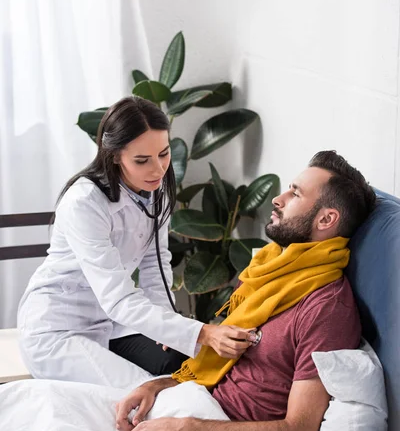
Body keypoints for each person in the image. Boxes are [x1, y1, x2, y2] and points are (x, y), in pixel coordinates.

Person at [115, 150, 377, 431]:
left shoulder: (325, 309)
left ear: (326, 220)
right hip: (192, 411)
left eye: (295, 193)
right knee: (37, 408)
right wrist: (158, 385)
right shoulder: (266, 273)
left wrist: (188, 429)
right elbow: (220, 370)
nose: (278, 199)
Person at [18, 97, 254, 385]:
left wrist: (169, 328)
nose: (158, 169)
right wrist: (202, 332)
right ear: (115, 155)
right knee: (144, 391)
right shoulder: (84, 203)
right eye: (142, 160)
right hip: (60, 327)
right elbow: (118, 298)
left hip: (113, 323)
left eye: (164, 154)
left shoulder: (155, 191)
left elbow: (156, 264)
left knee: (179, 366)